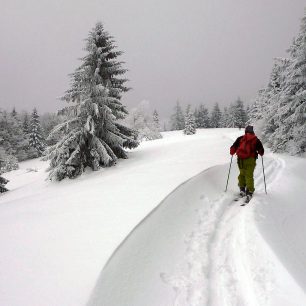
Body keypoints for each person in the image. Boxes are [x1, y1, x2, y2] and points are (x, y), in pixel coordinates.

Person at [230, 125, 264, 202]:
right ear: (252, 131)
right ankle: (249, 191)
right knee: (249, 175)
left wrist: (232, 153)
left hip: (240, 159)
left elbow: (232, 149)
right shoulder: (256, 140)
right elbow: (261, 151)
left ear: (245, 131)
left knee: (242, 174)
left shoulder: (240, 138)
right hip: (250, 159)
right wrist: (260, 153)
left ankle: (242, 189)